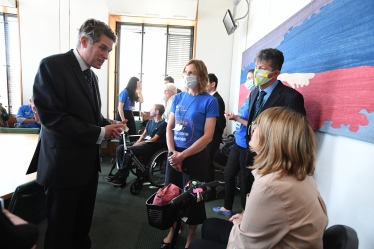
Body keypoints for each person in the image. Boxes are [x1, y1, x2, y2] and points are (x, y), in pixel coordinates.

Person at [27, 19, 124, 249]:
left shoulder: (92, 76)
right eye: (102, 48)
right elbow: (52, 118)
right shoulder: (52, 66)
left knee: (81, 229)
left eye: (109, 50)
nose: (106, 56)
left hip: (88, 167)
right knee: (60, 233)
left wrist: (109, 124)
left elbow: (90, 117)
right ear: (84, 41)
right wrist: (100, 131)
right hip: (62, 168)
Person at [189, 107, 329, 249]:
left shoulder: (270, 186)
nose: (253, 128)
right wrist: (245, 218)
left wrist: (240, 224)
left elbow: (240, 246)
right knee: (210, 225)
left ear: (272, 139)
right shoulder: (298, 173)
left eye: (257, 126)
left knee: (196, 245)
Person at [162, 59, 219, 249]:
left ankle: (191, 235)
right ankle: (173, 229)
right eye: (185, 72)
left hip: (195, 158)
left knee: (195, 198)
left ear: (201, 75)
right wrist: (173, 154)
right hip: (174, 155)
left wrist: (183, 156)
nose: (187, 76)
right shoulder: (177, 99)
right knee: (172, 195)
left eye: (192, 72)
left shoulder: (210, 101)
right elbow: (169, 128)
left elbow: (208, 136)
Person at [244, 48, 306, 196]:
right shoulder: (254, 92)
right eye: (256, 67)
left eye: (262, 69)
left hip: (273, 161)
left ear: (276, 73)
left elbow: (294, 137)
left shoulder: (291, 97)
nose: (257, 72)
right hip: (252, 153)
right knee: (249, 192)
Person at [213, 69, 254, 216]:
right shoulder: (249, 96)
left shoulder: (259, 99)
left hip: (247, 146)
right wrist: (234, 116)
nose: (249, 81)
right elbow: (244, 118)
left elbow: (253, 124)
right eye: (248, 78)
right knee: (229, 173)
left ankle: (245, 211)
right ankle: (227, 207)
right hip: (238, 142)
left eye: (251, 78)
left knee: (244, 179)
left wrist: (236, 119)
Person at [108, 104, 167, 186]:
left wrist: (140, 143)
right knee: (120, 148)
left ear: (157, 112)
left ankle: (122, 177)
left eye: (152, 109)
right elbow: (143, 134)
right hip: (144, 142)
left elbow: (154, 139)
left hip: (152, 145)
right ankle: (121, 173)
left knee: (128, 150)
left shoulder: (163, 124)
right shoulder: (150, 121)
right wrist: (138, 142)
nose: (150, 110)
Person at [205, 73, 226, 201]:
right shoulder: (209, 98)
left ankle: (211, 192)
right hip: (208, 137)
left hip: (212, 138)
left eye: (206, 82)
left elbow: (220, 122)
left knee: (208, 164)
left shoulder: (217, 99)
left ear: (213, 84)